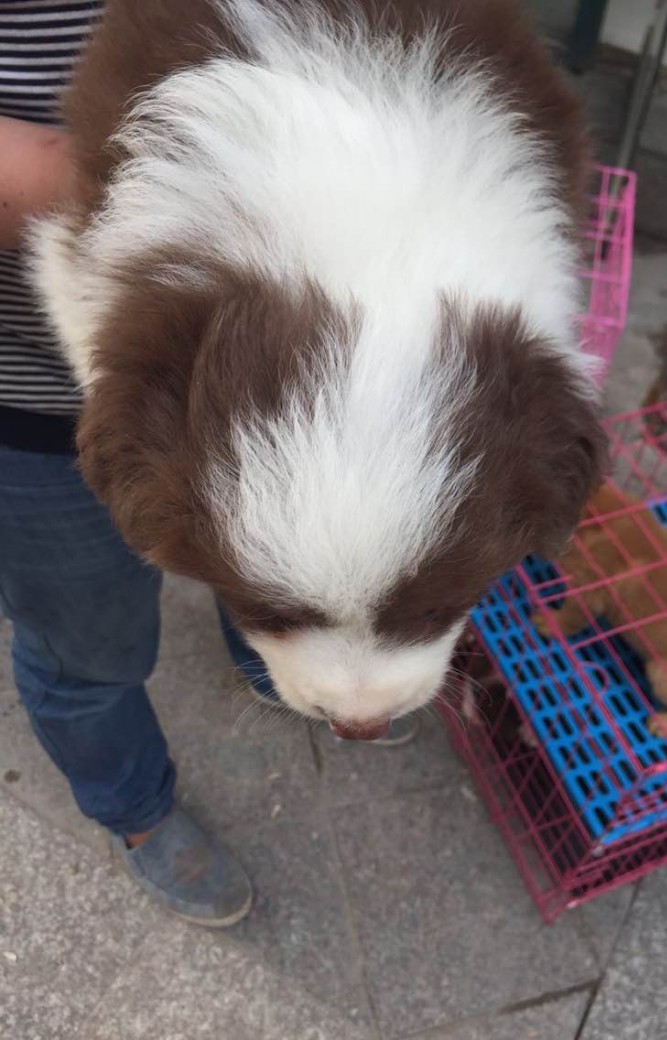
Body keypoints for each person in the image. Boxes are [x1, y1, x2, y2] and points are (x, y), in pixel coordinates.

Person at [0, 1, 415, 929]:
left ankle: (272, 654)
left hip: (289, 374)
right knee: (86, 648)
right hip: (29, 393)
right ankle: (134, 807)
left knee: (283, 567)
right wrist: (181, 182)